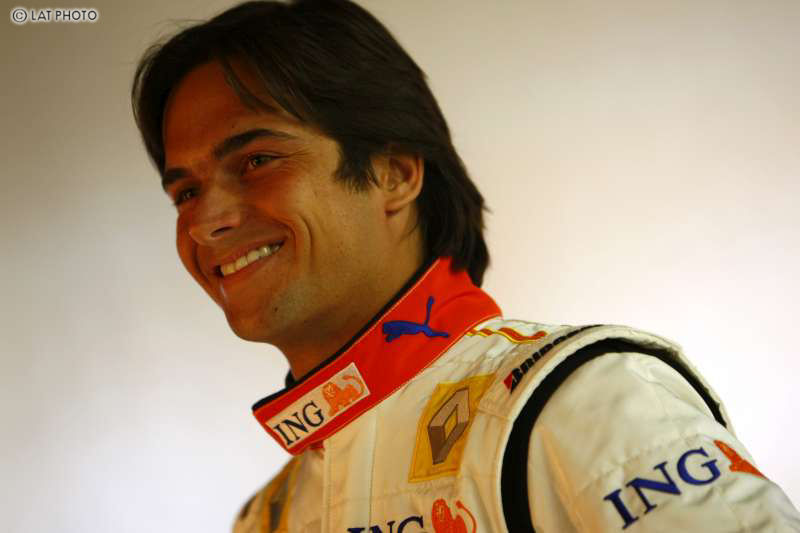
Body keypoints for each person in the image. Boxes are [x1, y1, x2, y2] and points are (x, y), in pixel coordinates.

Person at [130, 1, 800, 531]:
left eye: (257, 160)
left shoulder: (581, 400)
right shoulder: (266, 518)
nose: (206, 220)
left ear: (395, 173)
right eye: (184, 192)